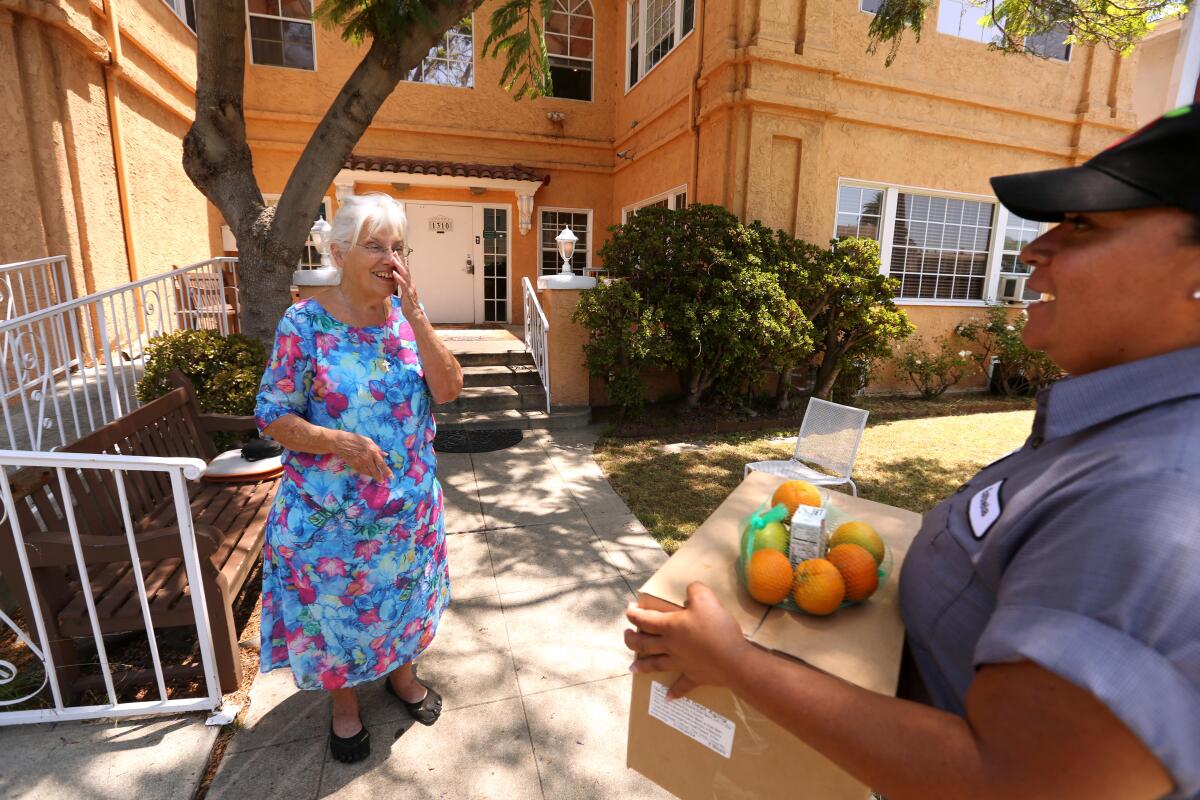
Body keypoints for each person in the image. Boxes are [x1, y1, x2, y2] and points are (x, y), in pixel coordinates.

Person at [625, 103, 1200, 799]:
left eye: (1083, 224)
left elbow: (1010, 783)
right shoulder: (1114, 431)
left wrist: (732, 662)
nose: (1031, 251)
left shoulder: (1157, 496)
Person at [255, 193, 464, 764]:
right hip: (333, 518)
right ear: (339, 252)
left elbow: (447, 389)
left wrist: (417, 313)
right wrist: (337, 442)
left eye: (397, 247)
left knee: (401, 597)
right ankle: (344, 706)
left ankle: (401, 678)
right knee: (337, 612)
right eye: (374, 246)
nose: (388, 259)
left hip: (408, 510)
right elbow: (272, 413)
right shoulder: (305, 323)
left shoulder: (406, 321)